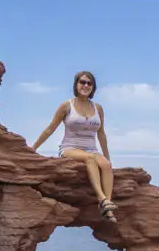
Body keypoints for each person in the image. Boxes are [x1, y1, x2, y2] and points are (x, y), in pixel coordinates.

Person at [31, 71, 117, 222]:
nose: (85, 85)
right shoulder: (67, 105)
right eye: (82, 82)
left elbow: (101, 134)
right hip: (70, 148)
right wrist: (33, 148)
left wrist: (107, 157)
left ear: (93, 87)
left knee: (105, 165)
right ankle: (102, 198)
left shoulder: (98, 108)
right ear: (76, 85)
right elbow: (50, 128)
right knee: (90, 159)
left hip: (91, 148)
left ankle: (107, 207)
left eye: (89, 83)